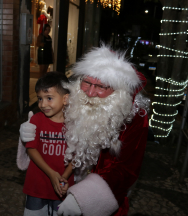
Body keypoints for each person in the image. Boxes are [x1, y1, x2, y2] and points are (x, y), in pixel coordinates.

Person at [20, 44, 150, 216]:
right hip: (63, 182)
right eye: (86, 82)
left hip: (104, 197)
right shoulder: (77, 99)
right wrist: (27, 132)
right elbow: (51, 115)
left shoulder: (134, 117)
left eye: (101, 86)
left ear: (118, 90)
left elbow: (126, 170)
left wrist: (85, 197)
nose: (89, 92)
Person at [17, 72, 74, 216]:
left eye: (49, 98)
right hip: (37, 184)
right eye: (40, 99)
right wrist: (52, 174)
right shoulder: (37, 120)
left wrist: (64, 177)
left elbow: (77, 154)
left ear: (65, 98)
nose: (42, 104)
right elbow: (31, 148)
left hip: (63, 185)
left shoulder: (74, 123)